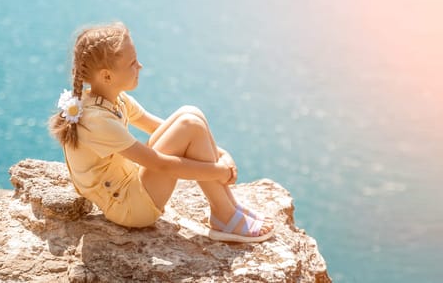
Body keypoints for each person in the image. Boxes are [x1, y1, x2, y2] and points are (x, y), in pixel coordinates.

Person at [49, 22, 274, 243]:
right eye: (133, 63)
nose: (141, 67)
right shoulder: (97, 121)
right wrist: (217, 171)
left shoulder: (112, 100)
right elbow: (161, 165)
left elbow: (159, 127)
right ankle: (224, 216)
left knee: (190, 115)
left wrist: (222, 155)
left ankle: (228, 207)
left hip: (133, 185)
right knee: (189, 125)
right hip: (130, 209)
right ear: (107, 76)